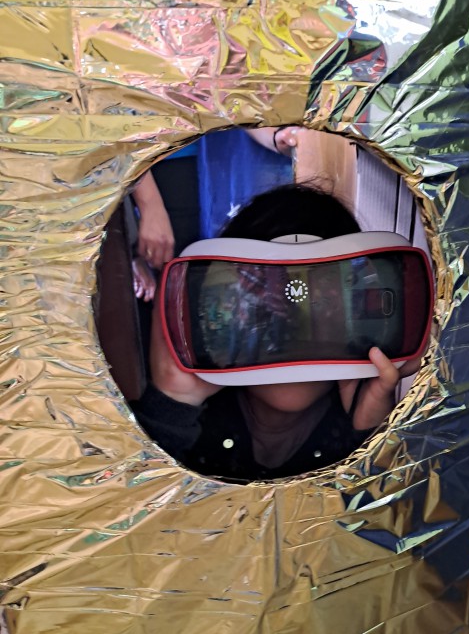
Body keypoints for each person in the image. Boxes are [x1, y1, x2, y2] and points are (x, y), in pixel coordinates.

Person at [131, 184, 419, 482]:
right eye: (267, 309)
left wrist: (373, 437)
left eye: (320, 303)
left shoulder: (359, 421)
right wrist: (173, 405)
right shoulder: (191, 420)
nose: (293, 326)